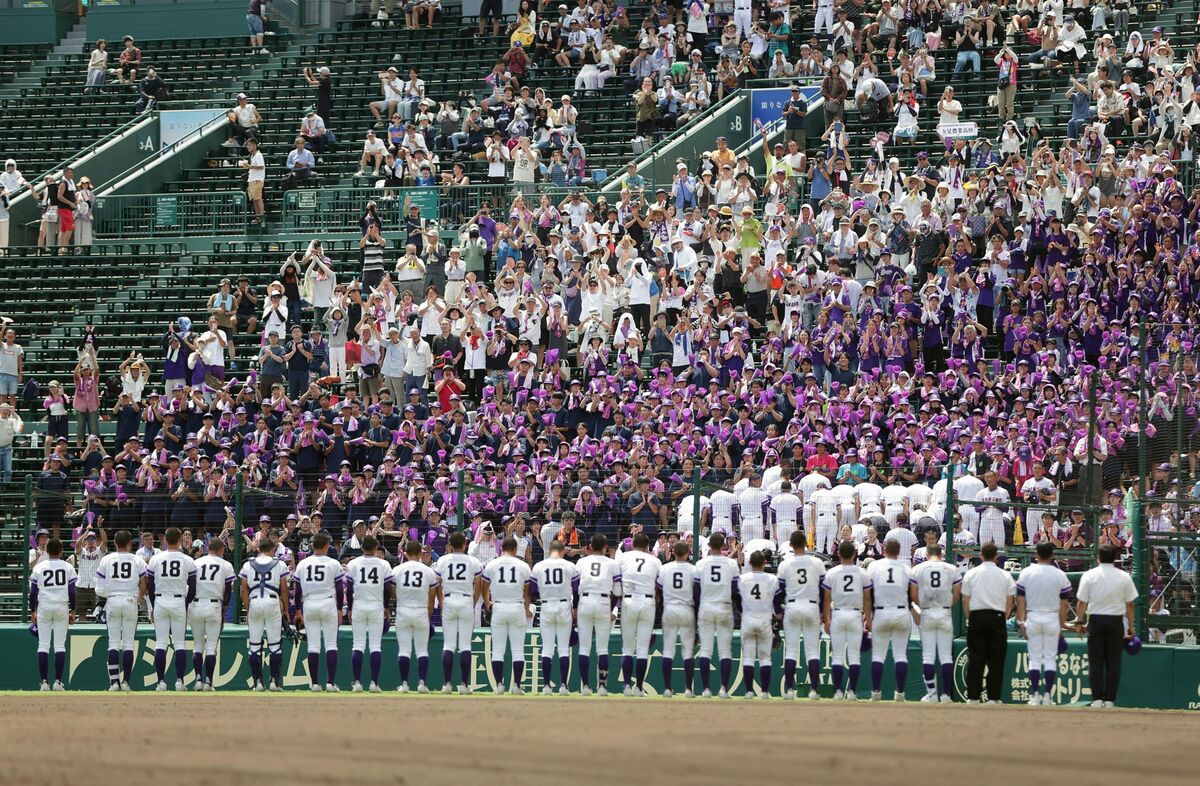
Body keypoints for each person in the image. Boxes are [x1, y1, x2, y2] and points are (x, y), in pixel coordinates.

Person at [1075, 543, 1138, 708]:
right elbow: (1130, 604)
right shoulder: (1124, 576)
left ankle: (1097, 699)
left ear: (1098, 558)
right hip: (1115, 621)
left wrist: (1079, 621)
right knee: (1113, 661)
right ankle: (1109, 699)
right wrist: (1131, 626)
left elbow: (1082, 602)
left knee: (1095, 660)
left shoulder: (1089, 575)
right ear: (1115, 558)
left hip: (1095, 620)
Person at [1016, 541, 1071, 706]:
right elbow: (1065, 604)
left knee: (1034, 659)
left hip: (1032, 616)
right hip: (1052, 617)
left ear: (1036, 554)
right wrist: (1061, 624)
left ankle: (1034, 696)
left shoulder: (1026, 572)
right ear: (1053, 554)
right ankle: (1047, 696)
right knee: (1050, 659)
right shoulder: (1059, 574)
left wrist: (1021, 621)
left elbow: (1020, 599)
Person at [961, 542, 1015, 703]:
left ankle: (973, 697)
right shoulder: (1005, 575)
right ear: (997, 557)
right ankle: (994, 698)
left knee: (976, 658)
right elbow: (1010, 600)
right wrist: (1004, 617)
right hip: (997, 616)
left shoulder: (971, 574)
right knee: (996, 659)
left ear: (981, 556)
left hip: (976, 615)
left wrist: (970, 617)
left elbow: (966, 600)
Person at [95, 529, 147, 691]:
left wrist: (111, 594)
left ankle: (114, 683)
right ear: (130, 544)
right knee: (129, 644)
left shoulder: (107, 559)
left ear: (115, 543)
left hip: (113, 601)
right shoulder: (137, 560)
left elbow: (98, 589)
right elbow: (144, 583)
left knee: (113, 643)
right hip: (131, 600)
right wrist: (138, 598)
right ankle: (126, 682)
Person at [481, 535, 533, 694]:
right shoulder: (523, 565)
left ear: (501, 548)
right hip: (517, 607)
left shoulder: (492, 564)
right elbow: (527, 592)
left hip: (499, 606)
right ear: (515, 549)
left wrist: (487, 601)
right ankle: (516, 686)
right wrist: (526, 608)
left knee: (498, 649)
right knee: (518, 649)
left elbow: (485, 586)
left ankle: (499, 686)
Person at [146, 527, 197, 691]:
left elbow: (150, 587)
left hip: (160, 600)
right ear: (181, 539)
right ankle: (180, 681)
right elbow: (193, 587)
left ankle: (160, 682)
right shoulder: (187, 560)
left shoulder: (155, 559)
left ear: (165, 540)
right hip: (178, 601)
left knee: (160, 643)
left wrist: (154, 606)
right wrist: (186, 603)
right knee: (179, 643)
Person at [293, 532, 345, 691]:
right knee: (331, 645)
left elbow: (298, 591)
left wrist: (297, 610)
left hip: (309, 603)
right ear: (327, 546)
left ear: (312, 545)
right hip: (328, 602)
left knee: (313, 646)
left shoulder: (303, 563)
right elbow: (339, 589)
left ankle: (315, 683)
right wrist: (339, 609)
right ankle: (330, 683)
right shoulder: (333, 563)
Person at [776, 531, 824, 700]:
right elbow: (823, 589)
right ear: (806, 543)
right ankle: (813, 691)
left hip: (793, 606)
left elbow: (779, 591)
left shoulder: (785, 564)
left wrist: (778, 611)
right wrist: (823, 611)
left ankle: (789, 690)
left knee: (791, 651)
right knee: (812, 652)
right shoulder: (817, 562)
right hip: (811, 606)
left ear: (790, 545)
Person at [239, 535, 290, 692]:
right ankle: (274, 681)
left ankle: (258, 683)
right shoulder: (279, 564)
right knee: (275, 645)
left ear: (259, 549)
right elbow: (284, 589)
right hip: (272, 601)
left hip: (255, 601)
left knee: (254, 646)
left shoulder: (248, 565)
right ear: (273, 550)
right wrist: (286, 610)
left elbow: (243, 590)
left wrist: (249, 608)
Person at [433, 530, 482, 694]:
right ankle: (464, 685)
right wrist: (473, 602)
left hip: (448, 599)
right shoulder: (473, 561)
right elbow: (479, 585)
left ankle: (447, 684)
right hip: (466, 599)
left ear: (450, 545)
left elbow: (436, 583)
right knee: (465, 645)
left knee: (448, 645)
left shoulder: (442, 560)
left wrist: (441, 600)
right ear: (465, 544)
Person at [910, 543, 959, 703]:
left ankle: (931, 694)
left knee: (928, 656)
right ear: (941, 554)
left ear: (926, 554)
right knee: (945, 657)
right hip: (944, 611)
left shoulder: (918, 568)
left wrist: (922, 606)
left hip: (927, 611)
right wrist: (948, 604)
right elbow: (958, 591)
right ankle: (945, 695)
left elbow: (913, 593)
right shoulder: (951, 568)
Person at [822, 539, 869, 701]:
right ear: (855, 554)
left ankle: (837, 692)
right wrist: (868, 619)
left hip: (838, 614)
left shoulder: (832, 573)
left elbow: (826, 599)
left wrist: (826, 619)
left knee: (837, 656)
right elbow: (868, 599)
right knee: (854, 656)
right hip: (855, 614)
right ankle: (852, 692)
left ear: (839, 554)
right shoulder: (862, 573)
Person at [866, 538, 913, 701]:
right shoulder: (906, 569)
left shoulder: (874, 566)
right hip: (901, 612)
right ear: (899, 552)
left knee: (878, 656)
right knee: (900, 656)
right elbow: (912, 594)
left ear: (884, 549)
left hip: (881, 612)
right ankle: (900, 694)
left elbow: (867, 592)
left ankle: (875, 694)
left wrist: (867, 616)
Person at [574, 533, 620, 696]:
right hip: (603, 601)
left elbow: (574, 587)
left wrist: (575, 608)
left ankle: (585, 686)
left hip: (585, 601)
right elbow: (618, 591)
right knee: (602, 649)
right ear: (606, 547)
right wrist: (610, 608)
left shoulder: (581, 562)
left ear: (590, 547)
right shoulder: (612, 563)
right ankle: (602, 687)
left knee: (584, 648)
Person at [30, 537, 77, 691]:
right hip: (61, 607)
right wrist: (73, 610)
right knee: (59, 645)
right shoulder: (67, 566)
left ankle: (44, 682)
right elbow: (72, 591)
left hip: (44, 606)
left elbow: (33, 592)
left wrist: (32, 611)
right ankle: (57, 682)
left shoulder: (39, 567)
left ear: (47, 551)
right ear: (61, 551)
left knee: (43, 645)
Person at [531, 539, 578, 695]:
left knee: (547, 649)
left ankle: (546, 686)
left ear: (549, 550)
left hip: (546, 605)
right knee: (564, 649)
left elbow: (532, 591)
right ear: (563, 551)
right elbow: (577, 591)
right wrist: (575, 610)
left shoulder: (539, 566)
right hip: (564, 605)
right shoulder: (570, 566)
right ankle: (563, 686)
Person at [392, 539, 439, 693]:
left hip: (403, 610)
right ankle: (422, 684)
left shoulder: (397, 569)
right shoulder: (428, 571)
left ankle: (404, 684)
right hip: (421, 610)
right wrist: (429, 613)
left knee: (404, 650)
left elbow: (391, 592)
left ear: (405, 554)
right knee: (422, 650)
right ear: (420, 553)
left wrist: (401, 598)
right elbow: (432, 597)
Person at [345, 533, 391, 692]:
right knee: (375, 646)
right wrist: (386, 606)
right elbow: (387, 588)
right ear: (376, 548)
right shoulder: (383, 564)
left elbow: (349, 589)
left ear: (362, 547)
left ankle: (357, 683)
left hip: (359, 604)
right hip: (376, 605)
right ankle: (374, 683)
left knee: (357, 645)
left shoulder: (353, 563)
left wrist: (350, 608)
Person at [695, 531, 738, 698]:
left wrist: (698, 608)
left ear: (708, 545)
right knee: (725, 651)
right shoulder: (731, 564)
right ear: (724, 546)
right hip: (724, 606)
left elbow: (696, 590)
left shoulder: (700, 564)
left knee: (705, 650)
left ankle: (706, 689)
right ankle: (724, 689)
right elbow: (735, 590)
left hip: (706, 606)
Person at [617, 531, 658, 696]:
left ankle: (627, 686)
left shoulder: (622, 558)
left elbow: (615, 581)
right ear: (648, 546)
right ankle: (639, 688)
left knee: (627, 648)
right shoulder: (654, 561)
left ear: (632, 544)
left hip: (628, 601)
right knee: (642, 649)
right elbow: (659, 586)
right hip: (648, 602)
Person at [190, 537, 235, 691]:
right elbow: (228, 590)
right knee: (211, 647)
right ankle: (208, 682)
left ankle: (198, 679)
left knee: (197, 646)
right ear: (221, 549)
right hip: (214, 605)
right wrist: (225, 608)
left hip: (196, 604)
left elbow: (189, 585)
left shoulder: (196, 563)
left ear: (209, 548)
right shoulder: (226, 565)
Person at [738, 549, 780, 699]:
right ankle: (764, 692)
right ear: (765, 562)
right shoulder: (772, 579)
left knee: (748, 658)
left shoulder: (742, 578)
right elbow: (777, 603)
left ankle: (749, 691)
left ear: (749, 563)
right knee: (765, 658)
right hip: (764, 619)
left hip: (748, 618)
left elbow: (737, 599)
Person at [657, 540, 696, 698]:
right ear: (688, 553)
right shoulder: (694, 569)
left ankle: (667, 688)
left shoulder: (664, 568)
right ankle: (688, 690)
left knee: (668, 650)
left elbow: (658, 590)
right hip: (687, 608)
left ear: (672, 552)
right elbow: (697, 590)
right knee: (687, 651)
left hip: (670, 608)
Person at [242, 138, 266, 225]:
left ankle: (261, 217)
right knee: (254, 200)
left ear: (254, 145)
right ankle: (258, 217)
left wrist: (250, 166)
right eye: (247, 145)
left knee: (258, 199)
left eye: (249, 145)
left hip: (257, 180)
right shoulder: (253, 155)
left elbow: (261, 167)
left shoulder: (258, 155)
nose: (248, 147)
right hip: (252, 180)